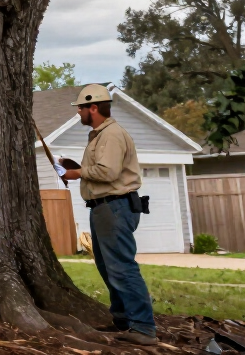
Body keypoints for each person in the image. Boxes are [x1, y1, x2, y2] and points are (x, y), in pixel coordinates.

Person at [59, 84, 158, 346]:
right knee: (108, 267)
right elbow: (102, 169)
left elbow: (109, 172)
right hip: (104, 208)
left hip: (115, 207)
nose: (78, 112)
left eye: (81, 107)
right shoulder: (99, 135)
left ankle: (144, 328)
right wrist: (79, 169)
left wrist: (75, 173)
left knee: (122, 268)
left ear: (94, 107)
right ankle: (124, 321)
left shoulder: (111, 135)